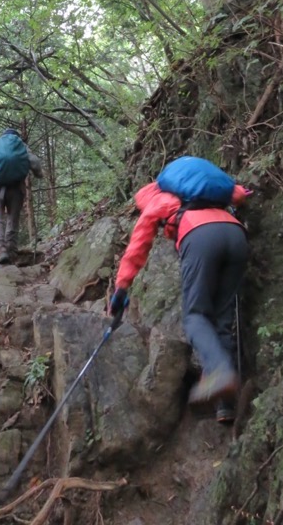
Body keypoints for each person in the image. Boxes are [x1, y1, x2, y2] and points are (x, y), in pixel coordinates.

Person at [108, 168, 251, 423]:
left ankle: (219, 373)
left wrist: (121, 288)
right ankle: (225, 405)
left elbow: (138, 245)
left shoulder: (159, 201)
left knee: (196, 316)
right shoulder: (209, 193)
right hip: (236, 235)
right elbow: (239, 194)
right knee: (223, 321)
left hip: (200, 237)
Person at [0, 128, 43, 267]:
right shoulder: (21, 145)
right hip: (16, 186)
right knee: (13, 218)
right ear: (17, 137)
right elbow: (35, 163)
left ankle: (0, 251)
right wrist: (39, 174)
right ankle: (11, 250)